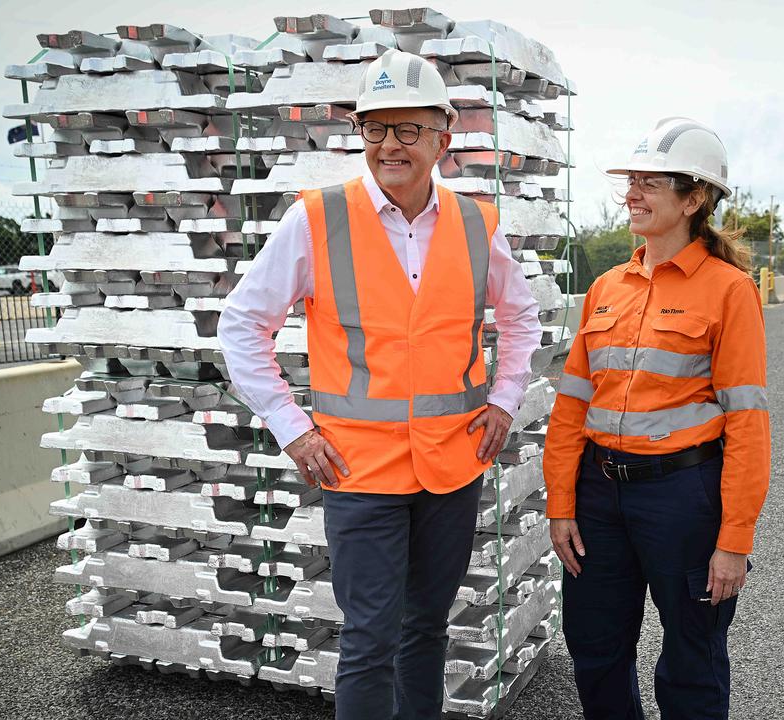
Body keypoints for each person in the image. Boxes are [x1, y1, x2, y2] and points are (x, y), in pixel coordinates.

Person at [218, 49, 542, 720]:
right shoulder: (316, 219)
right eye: (375, 129)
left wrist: (506, 402)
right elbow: (242, 324)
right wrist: (293, 428)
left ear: (442, 139)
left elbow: (522, 317)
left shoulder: (477, 224)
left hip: (452, 467)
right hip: (359, 470)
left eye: (408, 129)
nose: (390, 145)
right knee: (369, 638)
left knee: (426, 629)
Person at [543, 117, 771, 720]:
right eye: (631, 181)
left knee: (692, 659)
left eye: (650, 183)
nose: (632, 194)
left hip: (683, 498)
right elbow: (571, 405)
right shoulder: (606, 288)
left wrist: (733, 541)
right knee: (594, 650)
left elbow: (747, 423)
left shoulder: (730, 291)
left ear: (694, 199)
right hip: (598, 495)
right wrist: (561, 503)